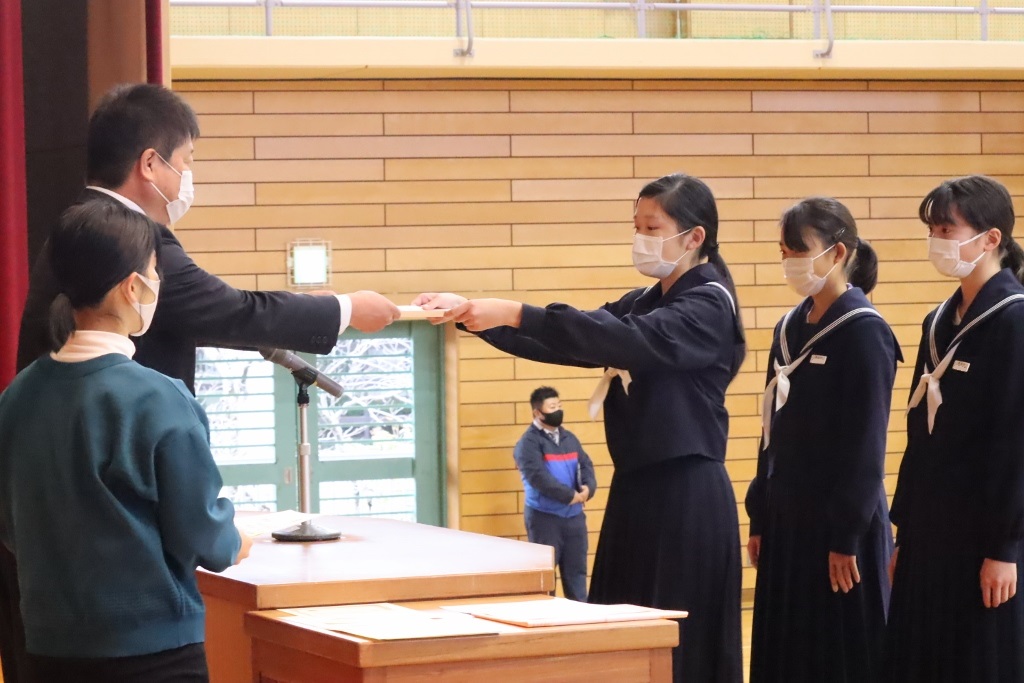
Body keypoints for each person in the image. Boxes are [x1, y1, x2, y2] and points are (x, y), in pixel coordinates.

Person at [5, 83, 398, 683]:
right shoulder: (129, 248)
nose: (188, 178)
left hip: (51, 617)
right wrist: (342, 308)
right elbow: (233, 311)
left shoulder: (20, 389)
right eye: (185, 163)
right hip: (144, 633)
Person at [415, 173, 746, 682]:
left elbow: (622, 338)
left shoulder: (708, 304)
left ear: (694, 236)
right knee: (621, 631)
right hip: (638, 490)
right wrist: (476, 318)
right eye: (636, 226)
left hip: (687, 493)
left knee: (677, 642)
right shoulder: (645, 299)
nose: (641, 237)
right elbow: (573, 341)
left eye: (652, 226)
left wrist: (515, 311)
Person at [0, 201, 253, 682]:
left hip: (46, 651)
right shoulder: (158, 399)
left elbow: (10, 527)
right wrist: (239, 541)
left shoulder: (16, 398)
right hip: (151, 653)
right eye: (155, 272)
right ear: (132, 286)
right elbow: (204, 535)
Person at [744, 197, 900, 682]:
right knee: (787, 653)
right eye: (784, 250)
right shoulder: (788, 328)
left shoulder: (865, 333)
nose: (790, 261)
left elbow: (864, 446)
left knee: (842, 655)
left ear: (836, 253)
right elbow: (770, 431)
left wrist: (845, 535)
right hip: (787, 519)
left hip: (839, 527)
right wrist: (759, 512)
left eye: (799, 250)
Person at [885, 175, 1024, 682]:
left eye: (948, 229)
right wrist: (903, 533)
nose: (938, 242)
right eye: (933, 230)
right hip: (928, 532)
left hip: (982, 535)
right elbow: (918, 437)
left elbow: (1014, 444)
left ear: (991, 239)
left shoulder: (1014, 320)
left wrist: (1003, 549)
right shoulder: (938, 321)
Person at [513, 386, 597, 602]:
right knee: (546, 580)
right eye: (552, 407)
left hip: (574, 518)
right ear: (537, 413)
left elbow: (586, 464)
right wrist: (569, 496)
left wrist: (588, 488)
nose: (558, 410)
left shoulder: (570, 438)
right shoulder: (528, 444)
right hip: (544, 518)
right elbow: (538, 477)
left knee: (577, 576)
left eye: (559, 406)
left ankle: (580, 626)